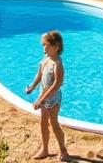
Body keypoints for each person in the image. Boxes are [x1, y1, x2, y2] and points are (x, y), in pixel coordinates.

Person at [24, 30, 69, 161]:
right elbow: (39, 75)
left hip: (53, 99)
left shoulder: (58, 65)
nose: (44, 48)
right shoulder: (46, 60)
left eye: (46, 45)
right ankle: (45, 149)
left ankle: (63, 150)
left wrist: (41, 99)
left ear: (56, 47)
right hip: (43, 96)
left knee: (54, 123)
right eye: (43, 45)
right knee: (43, 123)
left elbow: (56, 85)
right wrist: (32, 87)